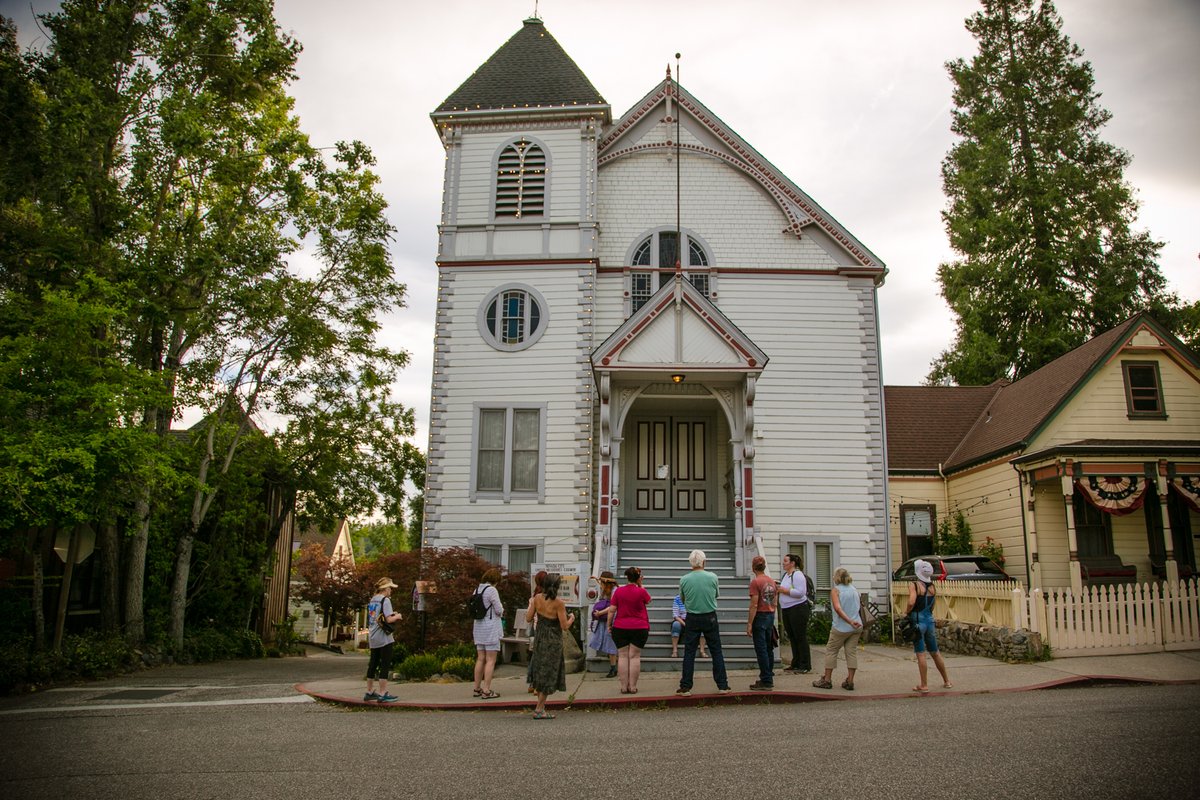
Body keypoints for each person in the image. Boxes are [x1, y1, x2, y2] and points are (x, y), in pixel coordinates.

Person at [676, 549, 731, 696]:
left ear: (691, 563)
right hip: (710, 616)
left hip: (692, 617)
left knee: (689, 652)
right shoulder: (712, 577)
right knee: (716, 650)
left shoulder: (684, 579)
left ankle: (686, 686)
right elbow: (716, 595)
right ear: (704, 561)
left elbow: (682, 599)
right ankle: (723, 685)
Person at [526, 573, 576, 719]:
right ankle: (539, 709)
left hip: (540, 638)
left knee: (540, 670)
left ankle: (540, 706)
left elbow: (529, 618)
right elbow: (564, 626)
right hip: (553, 640)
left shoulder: (537, 599)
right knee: (549, 673)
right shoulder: (559, 603)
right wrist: (571, 618)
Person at [906, 558, 953, 693]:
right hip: (929, 619)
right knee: (935, 652)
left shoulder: (914, 585)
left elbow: (911, 602)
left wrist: (907, 612)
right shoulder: (932, 586)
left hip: (918, 620)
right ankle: (946, 681)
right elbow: (932, 605)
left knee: (921, 653)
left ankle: (924, 685)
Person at [812, 568, 862, 691]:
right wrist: (853, 621)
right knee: (851, 652)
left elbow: (838, 609)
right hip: (857, 626)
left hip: (841, 627)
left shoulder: (836, 591)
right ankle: (850, 680)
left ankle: (827, 679)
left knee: (831, 650)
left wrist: (849, 621)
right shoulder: (854, 589)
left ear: (837, 577)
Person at [609, 566, 652, 694]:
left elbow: (612, 610)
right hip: (639, 627)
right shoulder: (641, 591)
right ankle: (632, 686)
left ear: (627, 577)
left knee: (622, 656)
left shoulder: (618, 591)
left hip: (620, 626)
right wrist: (641, 585)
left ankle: (623, 686)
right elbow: (649, 601)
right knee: (634, 656)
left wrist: (608, 624)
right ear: (638, 578)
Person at [365, 577, 403, 703]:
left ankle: (369, 691)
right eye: (390, 588)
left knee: (373, 664)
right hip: (384, 637)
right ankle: (382, 693)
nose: (391, 590)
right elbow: (388, 619)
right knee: (384, 665)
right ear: (385, 588)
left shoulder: (373, 600)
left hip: (373, 636)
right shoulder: (385, 600)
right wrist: (397, 616)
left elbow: (376, 617)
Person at [471, 568, 504, 699]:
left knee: (480, 658)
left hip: (478, 627)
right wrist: (502, 610)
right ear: (495, 580)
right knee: (491, 660)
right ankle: (486, 690)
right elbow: (498, 609)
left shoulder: (477, 590)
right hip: (490, 628)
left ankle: (476, 688)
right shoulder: (492, 590)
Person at [746, 555, 777, 690]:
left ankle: (766, 679)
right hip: (770, 615)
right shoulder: (771, 581)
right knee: (768, 647)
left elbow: (754, 604)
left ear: (753, 568)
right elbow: (775, 601)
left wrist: (749, 623)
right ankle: (769, 674)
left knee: (761, 649)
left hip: (760, 616)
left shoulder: (755, 582)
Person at [777, 553, 811, 673]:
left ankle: (805, 664)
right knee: (792, 636)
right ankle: (795, 662)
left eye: (785, 561)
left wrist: (784, 590)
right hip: (787, 608)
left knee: (800, 636)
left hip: (798, 609)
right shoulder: (786, 575)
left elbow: (800, 592)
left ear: (792, 563)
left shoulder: (797, 575)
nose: (783, 563)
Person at [588, 571, 618, 677]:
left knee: (610, 644)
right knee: (607, 642)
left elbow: (613, 607)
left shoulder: (614, 591)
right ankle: (613, 665)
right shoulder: (606, 590)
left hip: (611, 620)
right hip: (603, 620)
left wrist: (600, 612)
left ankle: (613, 668)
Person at [525, 570, 548, 693]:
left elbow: (528, 617)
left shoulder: (534, 598)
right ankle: (538, 685)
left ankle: (532, 683)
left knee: (534, 656)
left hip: (535, 628)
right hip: (546, 629)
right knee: (543, 657)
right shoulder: (550, 597)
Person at [671, 594, 707, 658]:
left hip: (694, 620)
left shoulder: (696, 597)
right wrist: (685, 624)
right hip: (681, 620)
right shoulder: (677, 598)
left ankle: (702, 651)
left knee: (703, 624)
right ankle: (674, 651)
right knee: (675, 625)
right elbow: (676, 616)